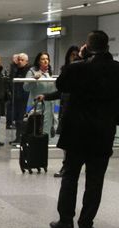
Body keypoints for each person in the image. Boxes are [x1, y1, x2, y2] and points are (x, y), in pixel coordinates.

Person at [50, 30, 119, 228]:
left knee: (70, 176)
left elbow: (61, 84)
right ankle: (86, 224)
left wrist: (80, 60)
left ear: (87, 46)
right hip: (102, 132)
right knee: (95, 180)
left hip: (75, 132)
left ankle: (65, 220)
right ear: (107, 47)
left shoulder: (77, 68)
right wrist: (117, 118)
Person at [36, 46, 80, 177]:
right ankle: (66, 165)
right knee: (67, 142)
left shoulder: (83, 71)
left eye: (77, 55)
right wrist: (46, 96)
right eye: (72, 55)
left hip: (79, 111)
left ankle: (71, 165)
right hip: (68, 110)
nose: (75, 57)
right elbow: (61, 92)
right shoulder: (65, 72)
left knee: (76, 142)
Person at [23, 52, 57, 137]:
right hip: (36, 107)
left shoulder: (50, 73)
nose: (46, 61)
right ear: (38, 61)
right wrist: (34, 80)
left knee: (46, 133)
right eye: (43, 59)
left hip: (49, 108)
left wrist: (56, 109)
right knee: (35, 132)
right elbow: (25, 87)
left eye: (47, 59)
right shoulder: (32, 71)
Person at [9, 53, 31, 145]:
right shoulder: (16, 70)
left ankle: (23, 138)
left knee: (23, 120)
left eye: (22, 60)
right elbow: (11, 79)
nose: (20, 62)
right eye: (19, 60)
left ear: (26, 61)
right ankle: (18, 137)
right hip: (17, 98)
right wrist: (14, 65)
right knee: (18, 120)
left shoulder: (29, 71)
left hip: (25, 99)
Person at [5, 53, 19, 129]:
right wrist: (10, 91)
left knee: (11, 108)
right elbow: (10, 81)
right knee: (10, 108)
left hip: (12, 90)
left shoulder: (12, 67)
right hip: (12, 91)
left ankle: (10, 123)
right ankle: (9, 123)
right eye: (17, 59)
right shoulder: (13, 68)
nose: (18, 60)